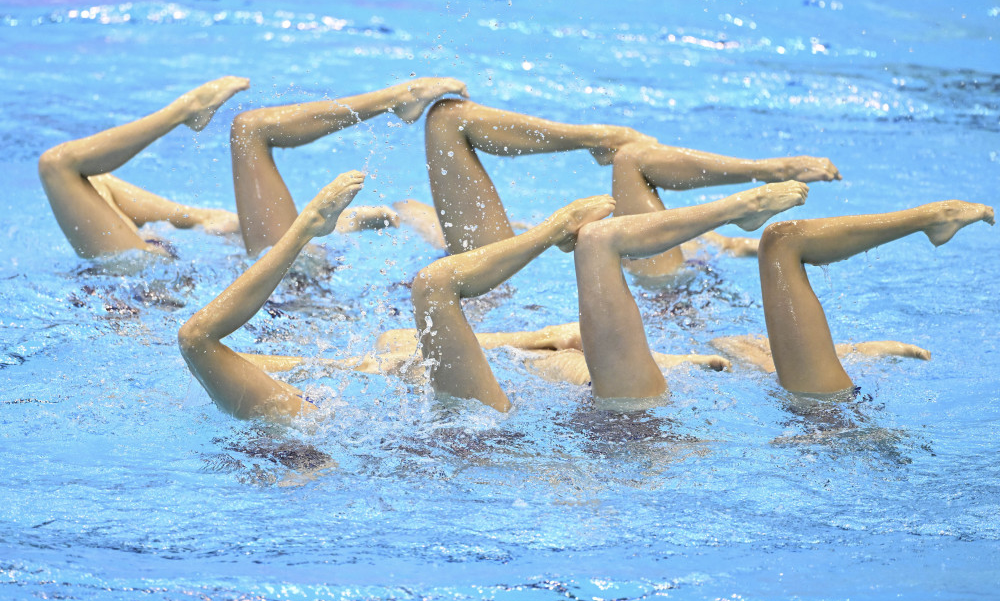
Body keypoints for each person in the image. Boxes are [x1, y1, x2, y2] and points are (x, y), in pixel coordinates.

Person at [178, 172, 733, 420]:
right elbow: (197, 336)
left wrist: (541, 335)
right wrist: (303, 230)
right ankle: (553, 229)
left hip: (460, 427)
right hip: (469, 432)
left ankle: (559, 254)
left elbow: (369, 354)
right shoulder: (296, 419)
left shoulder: (301, 406)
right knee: (432, 288)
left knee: (401, 339)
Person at [394, 98, 840, 279]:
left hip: (650, 289)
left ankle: (764, 176)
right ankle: (595, 138)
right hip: (505, 284)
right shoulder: (701, 240)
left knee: (631, 159)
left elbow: (409, 210)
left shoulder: (699, 243)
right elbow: (408, 209)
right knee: (446, 117)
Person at [711, 201, 994, 393]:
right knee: (781, 241)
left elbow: (737, 347)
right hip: (824, 411)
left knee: (780, 241)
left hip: (821, 411)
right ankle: (931, 218)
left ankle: (931, 218)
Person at [570, 180, 811, 400]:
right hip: (663, 296)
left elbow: (733, 245)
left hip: (624, 395)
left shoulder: (697, 234)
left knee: (738, 344)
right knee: (598, 234)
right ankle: (744, 203)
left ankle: (745, 203)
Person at [229, 78, 469, 256]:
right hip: (298, 281)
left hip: (288, 284)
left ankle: (395, 99)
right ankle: (395, 100)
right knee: (409, 208)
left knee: (251, 129)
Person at [38, 77, 250, 258]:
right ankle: (205, 217)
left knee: (57, 166)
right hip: (150, 265)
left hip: (144, 274)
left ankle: (185, 111)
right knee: (91, 181)